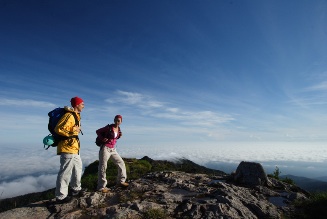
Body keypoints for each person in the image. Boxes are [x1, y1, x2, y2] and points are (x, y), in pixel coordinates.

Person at [54, 96, 85, 204]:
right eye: (82, 104)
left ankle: (76, 189)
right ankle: (61, 196)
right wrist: (73, 130)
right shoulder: (69, 115)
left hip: (74, 148)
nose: (83, 106)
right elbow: (58, 129)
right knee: (65, 172)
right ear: (76, 105)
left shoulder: (76, 116)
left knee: (78, 169)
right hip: (67, 148)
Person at [96, 115, 128, 193]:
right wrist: (102, 138)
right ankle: (101, 187)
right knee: (103, 166)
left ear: (121, 122)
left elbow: (114, 137)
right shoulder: (109, 127)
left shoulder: (119, 129)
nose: (117, 122)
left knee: (121, 163)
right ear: (114, 120)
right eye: (116, 120)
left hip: (113, 149)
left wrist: (119, 135)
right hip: (105, 148)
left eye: (119, 121)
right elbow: (98, 131)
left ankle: (121, 181)